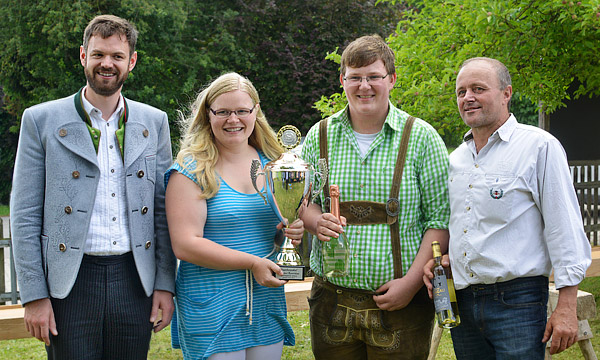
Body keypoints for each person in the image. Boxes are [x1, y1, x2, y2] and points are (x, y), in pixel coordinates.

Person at [10, 14, 176, 359]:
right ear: (84, 56)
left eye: (117, 56)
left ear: (131, 61)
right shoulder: (40, 119)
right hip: (68, 280)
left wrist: (164, 284)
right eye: (99, 54)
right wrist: (34, 295)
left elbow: (162, 210)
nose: (107, 64)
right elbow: (24, 214)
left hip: (135, 278)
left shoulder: (154, 121)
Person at [423, 57, 592, 359]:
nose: (468, 98)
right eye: (461, 92)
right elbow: (463, 223)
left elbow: (563, 225)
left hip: (518, 300)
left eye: (478, 88)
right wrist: (448, 256)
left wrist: (567, 306)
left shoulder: (539, 146)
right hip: (462, 298)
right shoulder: (456, 160)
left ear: (506, 93)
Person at [299, 34, 450, 359]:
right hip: (331, 303)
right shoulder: (319, 135)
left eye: (373, 77)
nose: (364, 86)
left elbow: (440, 222)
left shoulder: (422, 138)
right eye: (355, 77)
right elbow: (304, 202)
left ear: (391, 79)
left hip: (400, 306)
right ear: (343, 81)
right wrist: (315, 222)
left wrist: (410, 284)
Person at [165, 72, 303, 360]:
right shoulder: (191, 169)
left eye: (242, 111)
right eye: (223, 112)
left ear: (256, 112)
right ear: (208, 114)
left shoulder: (274, 163)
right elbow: (185, 244)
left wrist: (290, 234)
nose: (233, 120)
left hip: (264, 303)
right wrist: (252, 263)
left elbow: (274, 233)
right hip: (212, 304)